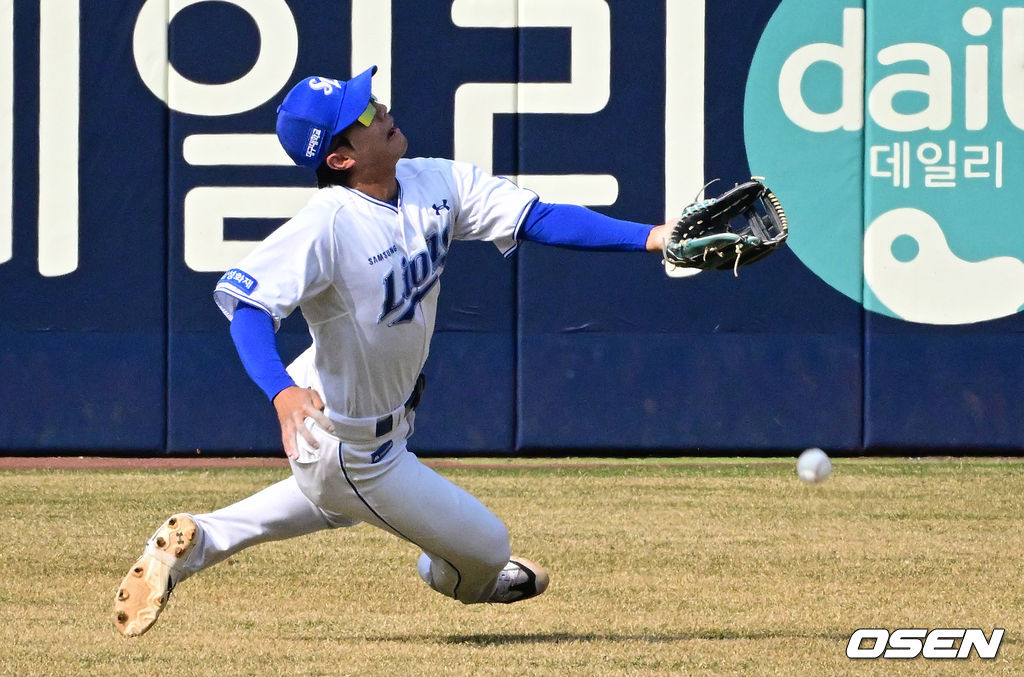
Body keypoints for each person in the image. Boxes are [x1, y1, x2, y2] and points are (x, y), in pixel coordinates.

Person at [113, 66, 676, 637]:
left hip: (348, 426)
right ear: (339, 159)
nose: (379, 110)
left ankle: (200, 540)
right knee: (487, 549)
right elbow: (247, 307)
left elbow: (539, 217)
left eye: (371, 100)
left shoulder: (433, 181)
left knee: (334, 501)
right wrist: (280, 391)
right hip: (349, 439)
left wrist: (653, 237)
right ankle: (455, 567)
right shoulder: (327, 224)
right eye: (362, 114)